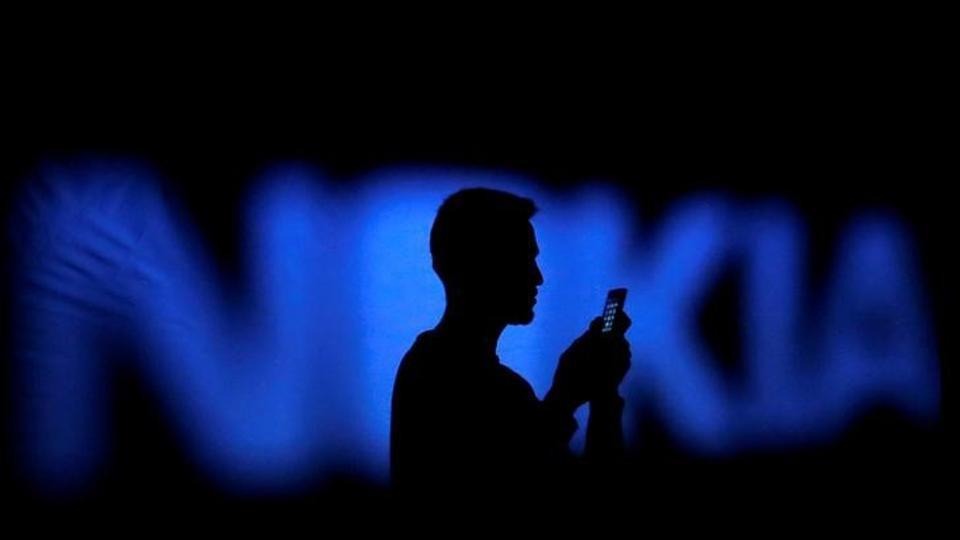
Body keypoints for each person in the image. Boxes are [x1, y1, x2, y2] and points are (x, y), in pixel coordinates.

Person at [389, 187, 631, 500]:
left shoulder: (424, 365)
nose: (538, 277)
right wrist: (570, 396)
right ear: (478, 265)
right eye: (522, 259)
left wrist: (600, 393)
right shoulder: (466, 383)